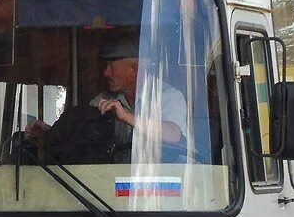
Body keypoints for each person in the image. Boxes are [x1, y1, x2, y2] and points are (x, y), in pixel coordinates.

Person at [25, 35, 189, 160]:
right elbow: (80, 139)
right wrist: (51, 133)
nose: (106, 73)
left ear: (134, 70)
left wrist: (126, 117)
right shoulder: (103, 99)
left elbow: (173, 134)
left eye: (111, 67)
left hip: (158, 190)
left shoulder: (168, 96)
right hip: (109, 189)